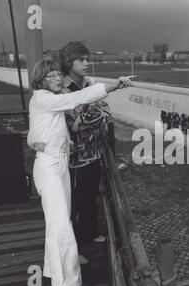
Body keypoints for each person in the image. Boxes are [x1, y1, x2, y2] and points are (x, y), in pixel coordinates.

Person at [27, 59, 132, 286]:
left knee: (59, 221)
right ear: (40, 80)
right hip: (49, 167)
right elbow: (75, 100)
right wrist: (111, 86)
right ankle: (67, 285)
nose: (56, 78)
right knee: (62, 226)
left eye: (57, 74)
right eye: (50, 75)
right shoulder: (43, 98)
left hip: (58, 164)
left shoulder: (47, 99)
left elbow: (40, 129)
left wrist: (33, 140)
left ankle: (53, 270)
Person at [59, 42, 111, 264]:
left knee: (91, 198)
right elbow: (77, 122)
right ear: (70, 62)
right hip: (75, 159)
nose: (87, 63)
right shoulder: (62, 88)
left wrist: (92, 112)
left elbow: (106, 113)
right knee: (75, 205)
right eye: (82, 60)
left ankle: (90, 234)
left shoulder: (88, 85)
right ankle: (74, 250)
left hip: (94, 153)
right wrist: (93, 112)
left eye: (87, 59)